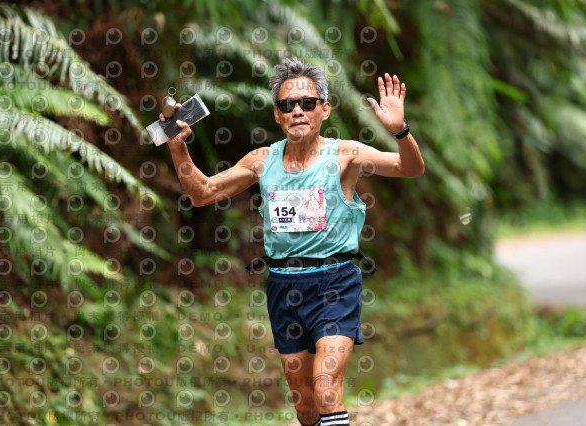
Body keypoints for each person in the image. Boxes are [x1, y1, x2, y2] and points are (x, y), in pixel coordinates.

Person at [158, 57, 424, 426]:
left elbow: (411, 168)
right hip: (284, 288)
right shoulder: (261, 161)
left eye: (307, 103)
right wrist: (177, 148)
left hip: (335, 284)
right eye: (287, 105)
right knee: (306, 406)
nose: (297, 110)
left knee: (327, 388)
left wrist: (400, 131)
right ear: (277, 115)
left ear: (324, 110)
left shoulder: (345, 155)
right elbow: (202, 193)